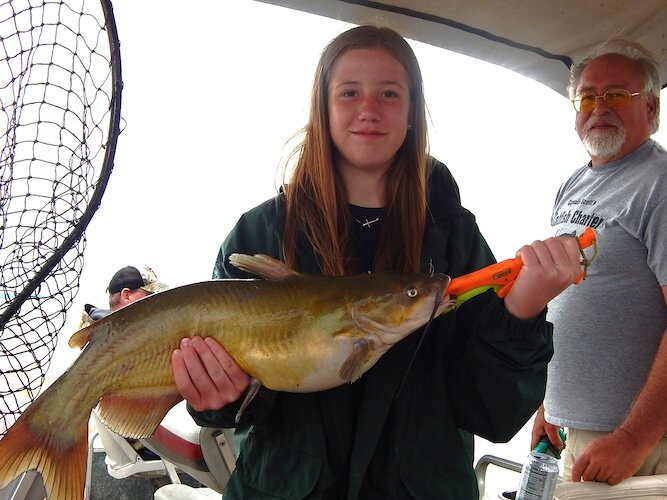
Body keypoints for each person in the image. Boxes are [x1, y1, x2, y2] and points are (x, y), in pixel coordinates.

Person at [171, 25, 584, 499]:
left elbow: (491, 413)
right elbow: (228, 408)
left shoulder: (455, 236)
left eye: (390, 93)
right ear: (323, 109)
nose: (369, 109)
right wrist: (218, 398)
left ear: (412, 113)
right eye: (349, 93)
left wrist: (521, 314)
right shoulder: (259, 234)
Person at [531, 37, 667, 486]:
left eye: (615, 94)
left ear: (650, 109)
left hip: (640, 447)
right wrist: (546, 403)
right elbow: (560, 299)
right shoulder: (573, 185)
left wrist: (633, 439)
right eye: (587, 96)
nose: (598, 106)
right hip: (579, 437)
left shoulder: (659, 183)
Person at [78, 264, 168, 327]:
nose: (156, 303)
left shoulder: (99, 332)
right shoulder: (107, 338)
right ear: (126, 296)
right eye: (150, 296)